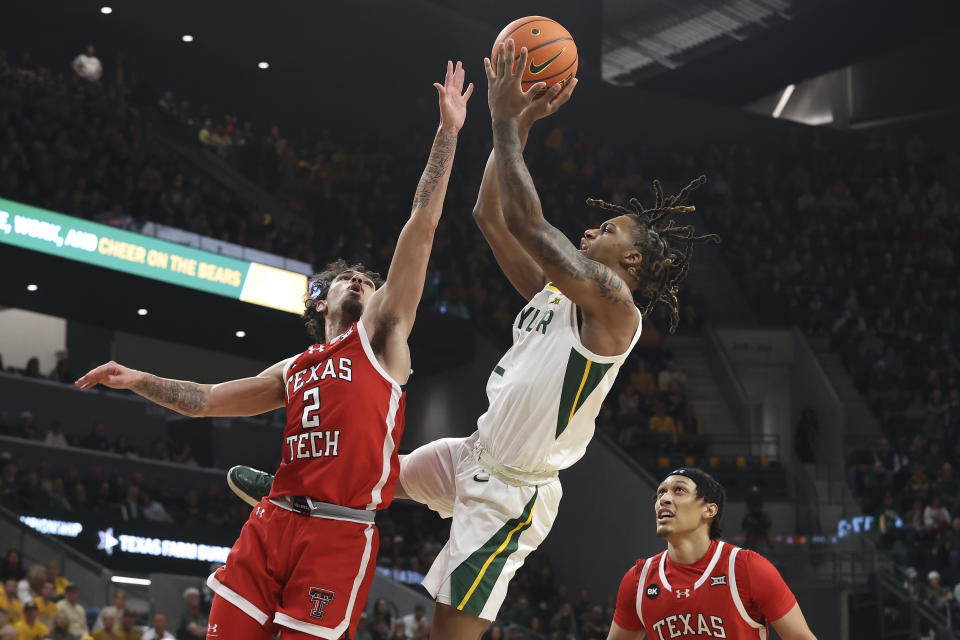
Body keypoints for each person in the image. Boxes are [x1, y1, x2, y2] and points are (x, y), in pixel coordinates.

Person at [229, 39, 720, 639]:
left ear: (634, 257)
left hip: (512, 494)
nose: (593, 227)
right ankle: (291, 494)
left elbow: (528, 222)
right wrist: (524, 125)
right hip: (475, 453)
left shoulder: (617, 311)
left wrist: (507, 119)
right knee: (381, 474)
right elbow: (490, 214)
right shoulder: (556, 292)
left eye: (610, 228)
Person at [76, 60, 474, 640]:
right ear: (319, 303)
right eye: (349, 277)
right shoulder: (294, 368)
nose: (363, 280)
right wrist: (136, 378)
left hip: (340, 534)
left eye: (369, 276)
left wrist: (448, 132)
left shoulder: (383, 339)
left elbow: (422, 223)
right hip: (272, 522)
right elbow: (207, 399)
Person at [608, 468, 816, 639]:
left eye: (679, 490)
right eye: (660, 493)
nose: (664, 499)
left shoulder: (747, 568)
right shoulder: (638, 579)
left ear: (709, 510)